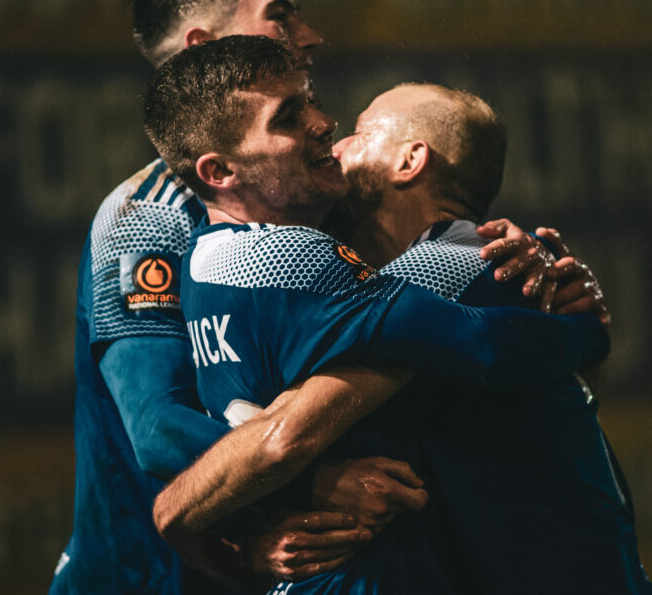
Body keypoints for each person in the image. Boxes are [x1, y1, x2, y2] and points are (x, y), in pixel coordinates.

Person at [51, 0, 549, 594]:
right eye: (280, 16)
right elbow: (156, 429)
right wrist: (314, 476)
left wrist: (500, 255)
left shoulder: (305, 195)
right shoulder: (145, 219)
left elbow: (409, 298)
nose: (308, 36)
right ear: (203, 47)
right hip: (148, 578)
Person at [145, 35, 612, 593]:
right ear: (220, 171)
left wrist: (211, 535)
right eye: (289, 116)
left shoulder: (201, 262)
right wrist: (586, 329)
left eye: (320, 108)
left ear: (412, 161)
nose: (329, 128)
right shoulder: (297, 257)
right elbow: (475, 343)